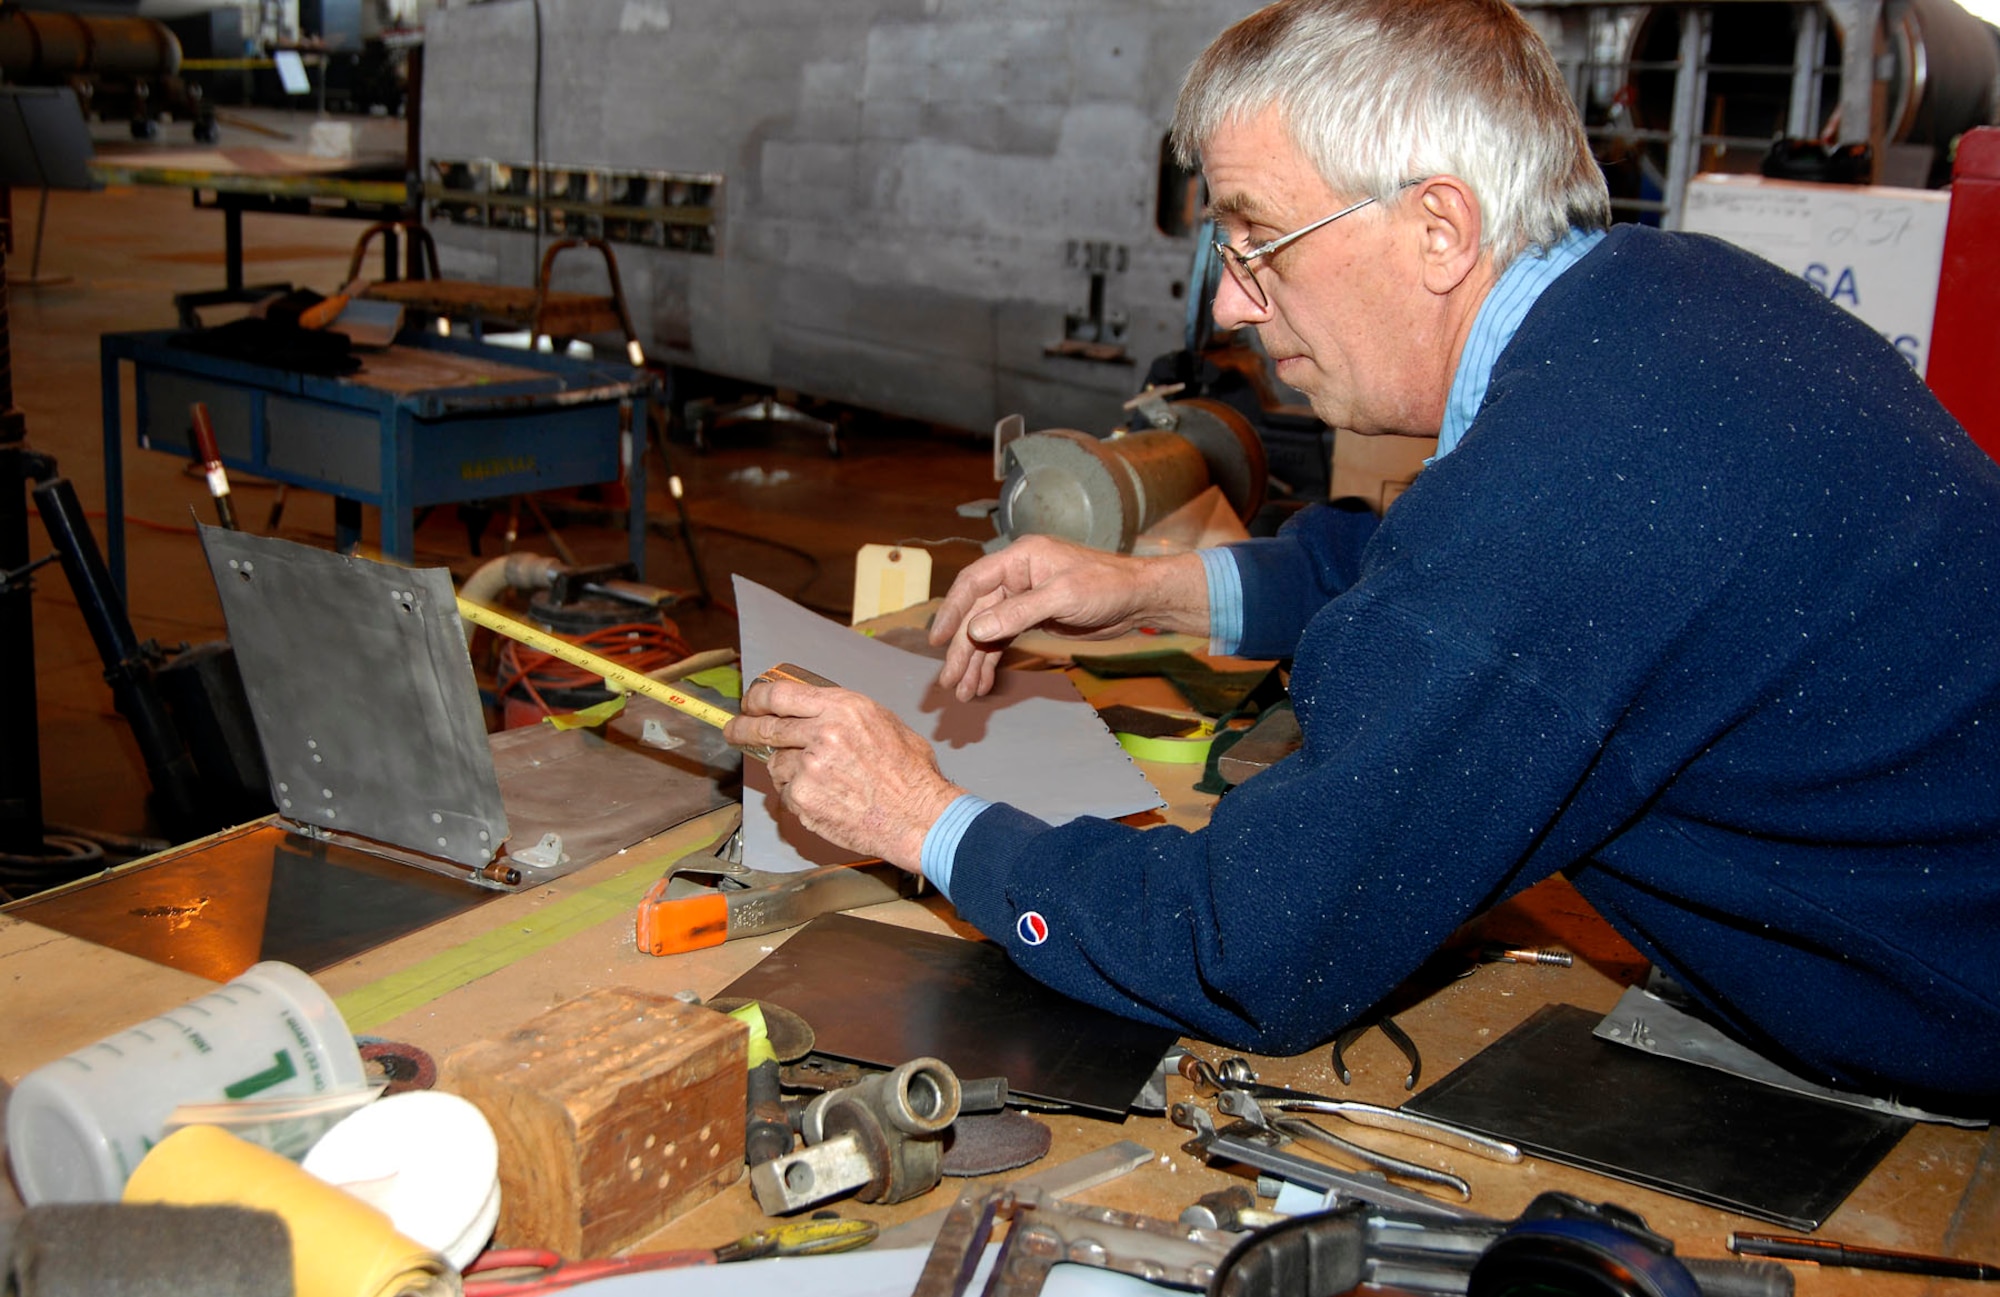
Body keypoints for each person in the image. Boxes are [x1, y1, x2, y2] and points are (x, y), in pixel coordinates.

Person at [724, 0, 2000, 1108]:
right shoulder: (1656, 304)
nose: (1229, 302)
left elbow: (1249, 947)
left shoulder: (1564, 492)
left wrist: (920, 818)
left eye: (1256, 240)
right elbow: (1427, 571)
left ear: (1437, 225)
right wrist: (1152, 592)